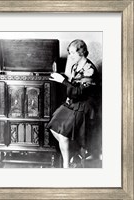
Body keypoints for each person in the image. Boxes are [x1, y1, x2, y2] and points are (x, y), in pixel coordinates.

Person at [47, 39, 99, 168]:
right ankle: (72, 154)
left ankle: (66, 165)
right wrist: (63, 79)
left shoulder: (89, 70)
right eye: (69, 53)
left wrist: (63, 81)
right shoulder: (76, 65)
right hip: (73, 102)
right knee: (53, 126)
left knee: (63, 134)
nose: (70, 56)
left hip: (84, 105)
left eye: (72, 53)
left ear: (82, 52)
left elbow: (79, 92)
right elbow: (73, 84)